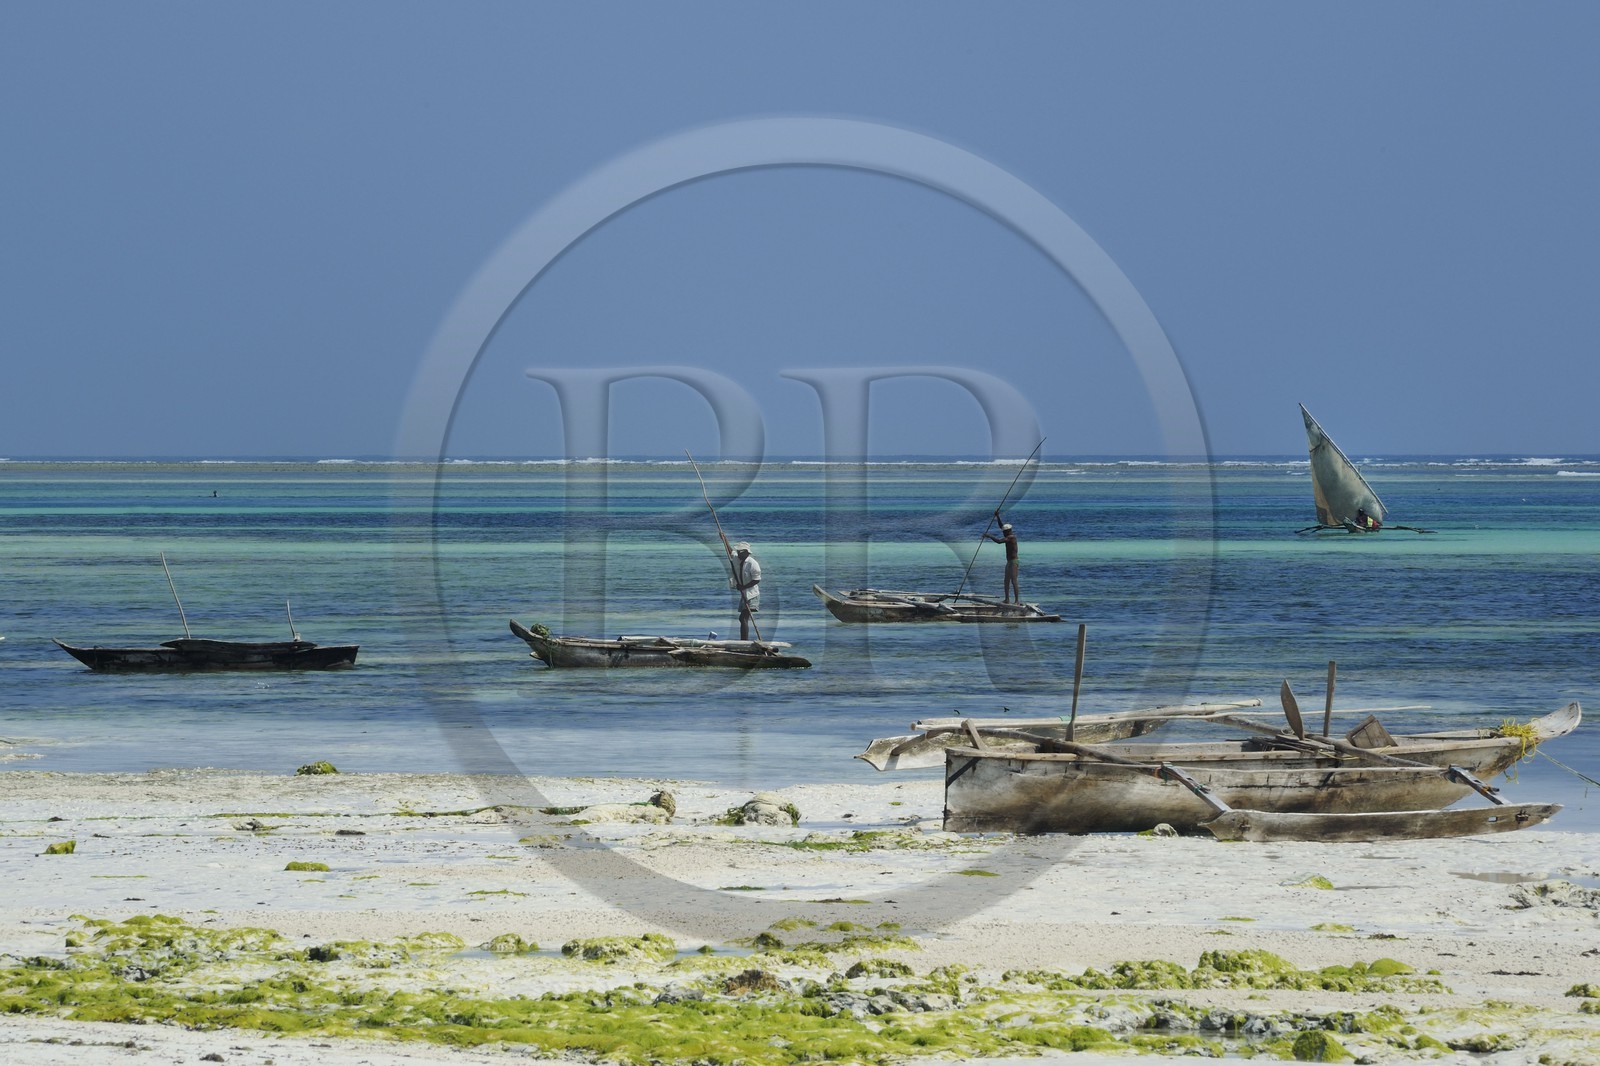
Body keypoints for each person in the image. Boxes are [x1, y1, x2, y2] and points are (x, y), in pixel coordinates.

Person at [985, 513, 1021, 603]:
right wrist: (998, 517)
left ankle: (1016, 601)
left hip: (1014, 562)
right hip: (1009, 562)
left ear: (1008, 531)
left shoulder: (1011, 537)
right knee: (1006, 581)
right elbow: (1002, 527)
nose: (1003, 533)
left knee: (1014, 580)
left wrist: (989, 536)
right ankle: (1007, 599)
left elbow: (999, 541)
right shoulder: (1007, 534)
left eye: (1004, 532)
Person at [729, 541, 761, 640]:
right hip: (744, 594)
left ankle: (744, 641)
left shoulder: (752, 563)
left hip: (752, 595)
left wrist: (744, 586)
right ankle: (744, 640)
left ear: (746, 552)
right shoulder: (737, 559)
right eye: (738, 552)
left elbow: (757, 580)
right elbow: (730, 551)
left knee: (743, 618)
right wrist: (724, 538)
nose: (738, 554)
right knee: (742, 618)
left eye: (740, 552)